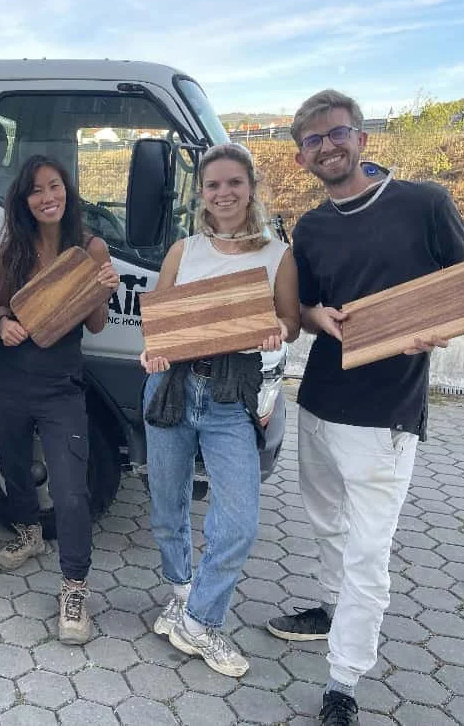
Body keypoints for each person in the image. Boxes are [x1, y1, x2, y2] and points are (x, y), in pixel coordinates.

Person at [265, 90, 464, 725]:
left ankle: (344, 680)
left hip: (387, 413)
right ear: (300, 158)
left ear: (362, 139)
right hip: (320, 400)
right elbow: (302, 310)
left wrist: (440, 324)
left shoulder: (425, 203)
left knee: (367, 549)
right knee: (325, 523)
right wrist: (311, 314)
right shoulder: (313, 226)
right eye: (313, 141)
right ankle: (329, 607)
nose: (327, 147)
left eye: (336, 134)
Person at [142, 142, 300, 677]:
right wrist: (154, 347)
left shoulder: (277, 254)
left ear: (250, 188)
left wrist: (277, 330)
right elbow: (158, 321)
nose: (224, 193)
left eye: (234, 183)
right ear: (202, 195)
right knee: (168, 509)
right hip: (172, 386)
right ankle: (182, 594)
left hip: (232, 396)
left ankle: (201, 619)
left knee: (237, 524)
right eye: (213, 185)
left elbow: (290, 323)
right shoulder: (183, 251)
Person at [0, 155, 120, 645]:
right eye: (37, 190)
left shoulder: (90, 248)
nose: (48, 197)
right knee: (15, 466)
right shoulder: (13, 248)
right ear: (25, 201)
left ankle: (74, 588)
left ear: (68, 192)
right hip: (10, 378)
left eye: (55, 186)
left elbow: (97, 325)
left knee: (69, 490)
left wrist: (100, 291)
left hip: (62, 384)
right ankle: (28, 533)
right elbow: (4, 305)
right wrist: (4, 322)